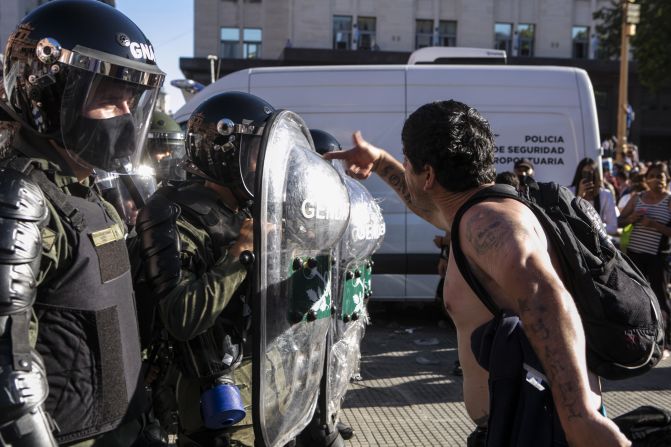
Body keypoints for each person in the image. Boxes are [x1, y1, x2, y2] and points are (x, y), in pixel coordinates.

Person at [324, 100, 630, 446]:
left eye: (407, 161)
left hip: (544, 428)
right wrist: (380, 162)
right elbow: (425, 204)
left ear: (428, 175)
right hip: (523, 422)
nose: (404, 167)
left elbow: (546, 296)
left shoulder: (489, 223)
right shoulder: (478, 211)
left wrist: (580, 417)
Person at [0, 1, 165, 445]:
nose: (127, 117)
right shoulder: (21, 199)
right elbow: (9, 378)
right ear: (51, 94)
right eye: (110, 100)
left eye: (131, 100)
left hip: (125, 427)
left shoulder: (87, 193)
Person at [135, 92, 266, 447]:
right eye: (256, 154)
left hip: (262, 391)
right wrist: (241, 254)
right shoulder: (174, 214)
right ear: (226, 153)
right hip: (210, 403)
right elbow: (180, 316)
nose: (262, 165)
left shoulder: (248, 211)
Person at [618, 162, 671, 359]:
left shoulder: (669, 201)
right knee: (633, 296)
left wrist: (654, 224)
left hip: (657, 258)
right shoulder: (637, 198)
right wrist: (631, 218)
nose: (658, 179)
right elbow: (620, 221)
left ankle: (665, 343)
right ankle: (635, 339)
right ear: (646, 179)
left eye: (662, 176)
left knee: (660, 298)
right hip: (634, 256)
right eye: (654, 175)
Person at [569, 158, 620, 236]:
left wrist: (594, 227)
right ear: (579, 174)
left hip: (597, 242)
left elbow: (613, 227)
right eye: (585, 173)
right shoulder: (569, 192)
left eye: (591, 174)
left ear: (596, 175)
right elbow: (568, 220)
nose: (589, 177)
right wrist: (579, 196)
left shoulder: (605, 195)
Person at [145, 110, 187, 185]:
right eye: (161, 149)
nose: (168, 154)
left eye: (172, 150)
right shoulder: (132, 185)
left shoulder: (178, 187)